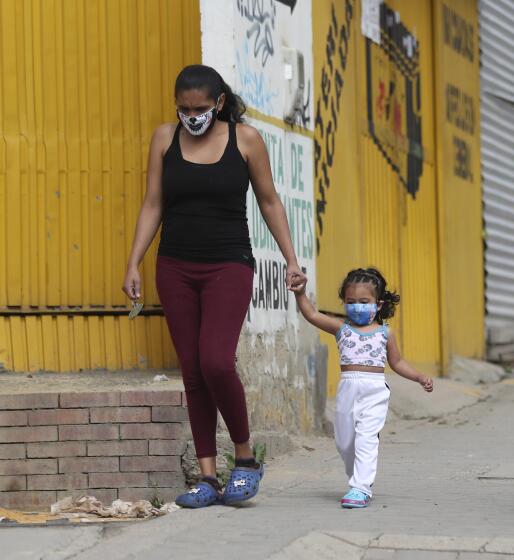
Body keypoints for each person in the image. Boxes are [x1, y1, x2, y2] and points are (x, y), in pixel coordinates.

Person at [122, 64, 304, 508]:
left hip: (229, 264)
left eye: (200, 108)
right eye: (184, 108)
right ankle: (207, 477)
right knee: (193, 371)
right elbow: (153, 203)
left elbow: (269, 200)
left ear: (219, 102)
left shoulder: (246, 140)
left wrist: (292, 260)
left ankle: (244, 459)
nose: (192, 116)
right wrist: (134, 262)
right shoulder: (164, 139)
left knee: (217, 361)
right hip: (175, 267)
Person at [290, 267, 433, 508]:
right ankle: (357, 476)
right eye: (351, 302)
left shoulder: (386, 333)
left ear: (378, 305)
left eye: (364, 301)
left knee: (366, 438)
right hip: (348, 389)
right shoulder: (341, 329)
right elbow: (312, 315)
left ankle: (360, 487)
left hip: (374, 391)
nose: (357, 306)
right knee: (345, 441)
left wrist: (419, 377)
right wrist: (300, 293)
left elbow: (397, 362)